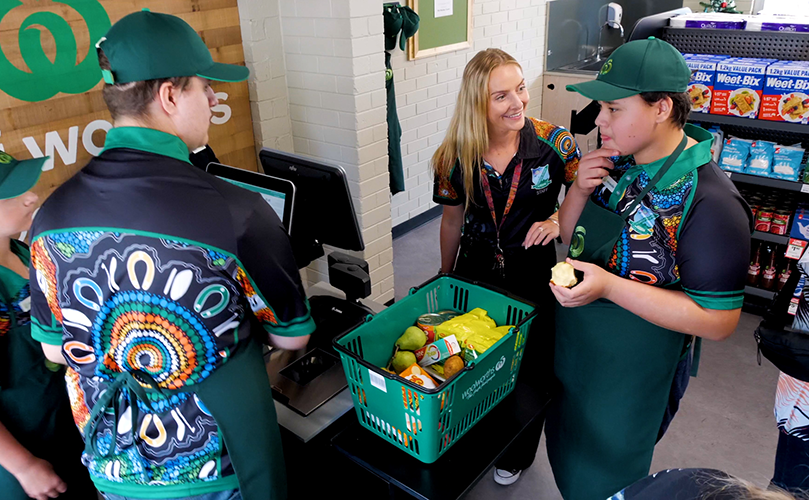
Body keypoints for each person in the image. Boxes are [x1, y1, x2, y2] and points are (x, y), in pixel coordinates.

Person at [28, 11, 315, 500]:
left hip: (113, 469)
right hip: (217, 472)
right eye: (205, 87)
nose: (213, 99)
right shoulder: (234, 211)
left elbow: (56, 350)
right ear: (168, 96)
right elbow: (292, 338)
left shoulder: (50, 219)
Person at [547, 37, 752, 499]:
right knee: (565, 450)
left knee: (606, 480)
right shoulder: (619, 163)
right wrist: (579, 189)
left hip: (629, 378)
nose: (599, 120)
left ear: (661, 107)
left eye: (614, 109)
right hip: (577, 356)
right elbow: (570, 236)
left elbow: (718, 321)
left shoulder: (711, 202)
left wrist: (609, 288)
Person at [432, 48, 580, 485]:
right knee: (471, 360)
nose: (517, 102)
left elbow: (582, 195)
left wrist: (555, 220)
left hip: (533, 272)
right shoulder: (454, 155)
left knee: (529, 369)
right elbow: (451, 219)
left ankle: (516, 452)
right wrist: (444, 277)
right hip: (474, 270)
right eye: (501, 96)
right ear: (477, 103)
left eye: (520, 88)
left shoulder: (557, 143)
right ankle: (471, 435)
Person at [0, 152, 97, 500]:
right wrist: (24, 466)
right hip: (22, 462)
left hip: (63, 431)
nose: (33, 197)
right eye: (13, 193)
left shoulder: (22, 251)